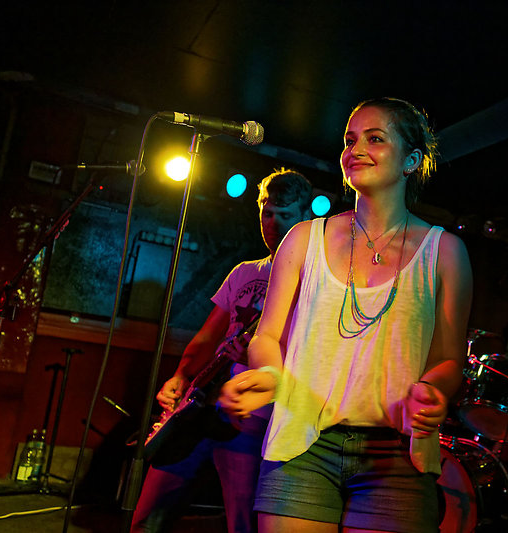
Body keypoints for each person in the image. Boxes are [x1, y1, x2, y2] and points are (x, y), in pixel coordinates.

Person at [219, 97, 473, 533]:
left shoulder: (445, 252)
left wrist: (433, 389)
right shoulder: (303, 239)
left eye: (375, 139)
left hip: (396, 454)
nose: (356, 150)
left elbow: (450, 358)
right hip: (301, 444)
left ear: (412, 160)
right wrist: (269, 374)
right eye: (350, 140)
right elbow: (267, 336)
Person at [130, 169, 314, 533]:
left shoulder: (314, 282)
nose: (274, 224)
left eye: (286, 215)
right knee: (146, 519)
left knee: (243, 523)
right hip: (199, 405)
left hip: (253, 419)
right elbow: (207, 337)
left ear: (307, 218)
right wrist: (180, 376)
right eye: (268, 213)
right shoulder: (244, 271)